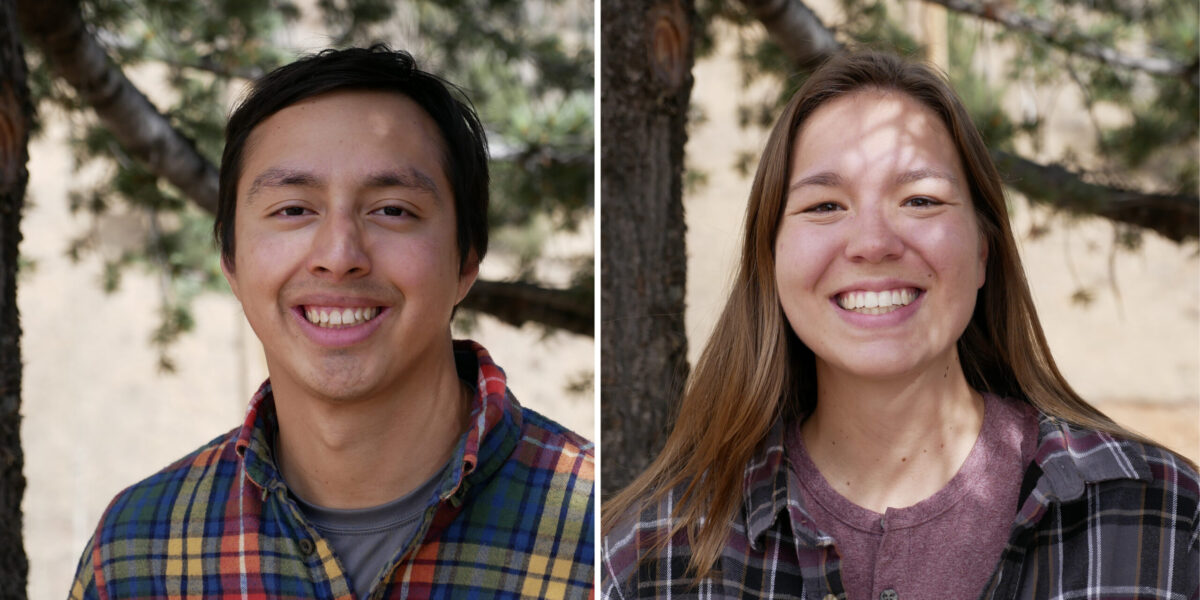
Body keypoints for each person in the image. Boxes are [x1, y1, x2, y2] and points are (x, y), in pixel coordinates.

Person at [602, 52, 1198, 599]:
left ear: (984, 250)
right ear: (771, 258)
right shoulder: (648, 560)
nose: (872, 244)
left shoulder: (1166, 517)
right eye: (825, 206)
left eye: (920, 200)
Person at [70, 45, 594, 599]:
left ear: (466, 261)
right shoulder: (137, 553)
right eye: (294, 209)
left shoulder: (596, 534)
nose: (340, 254)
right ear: (231, 259)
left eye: (392, 209)